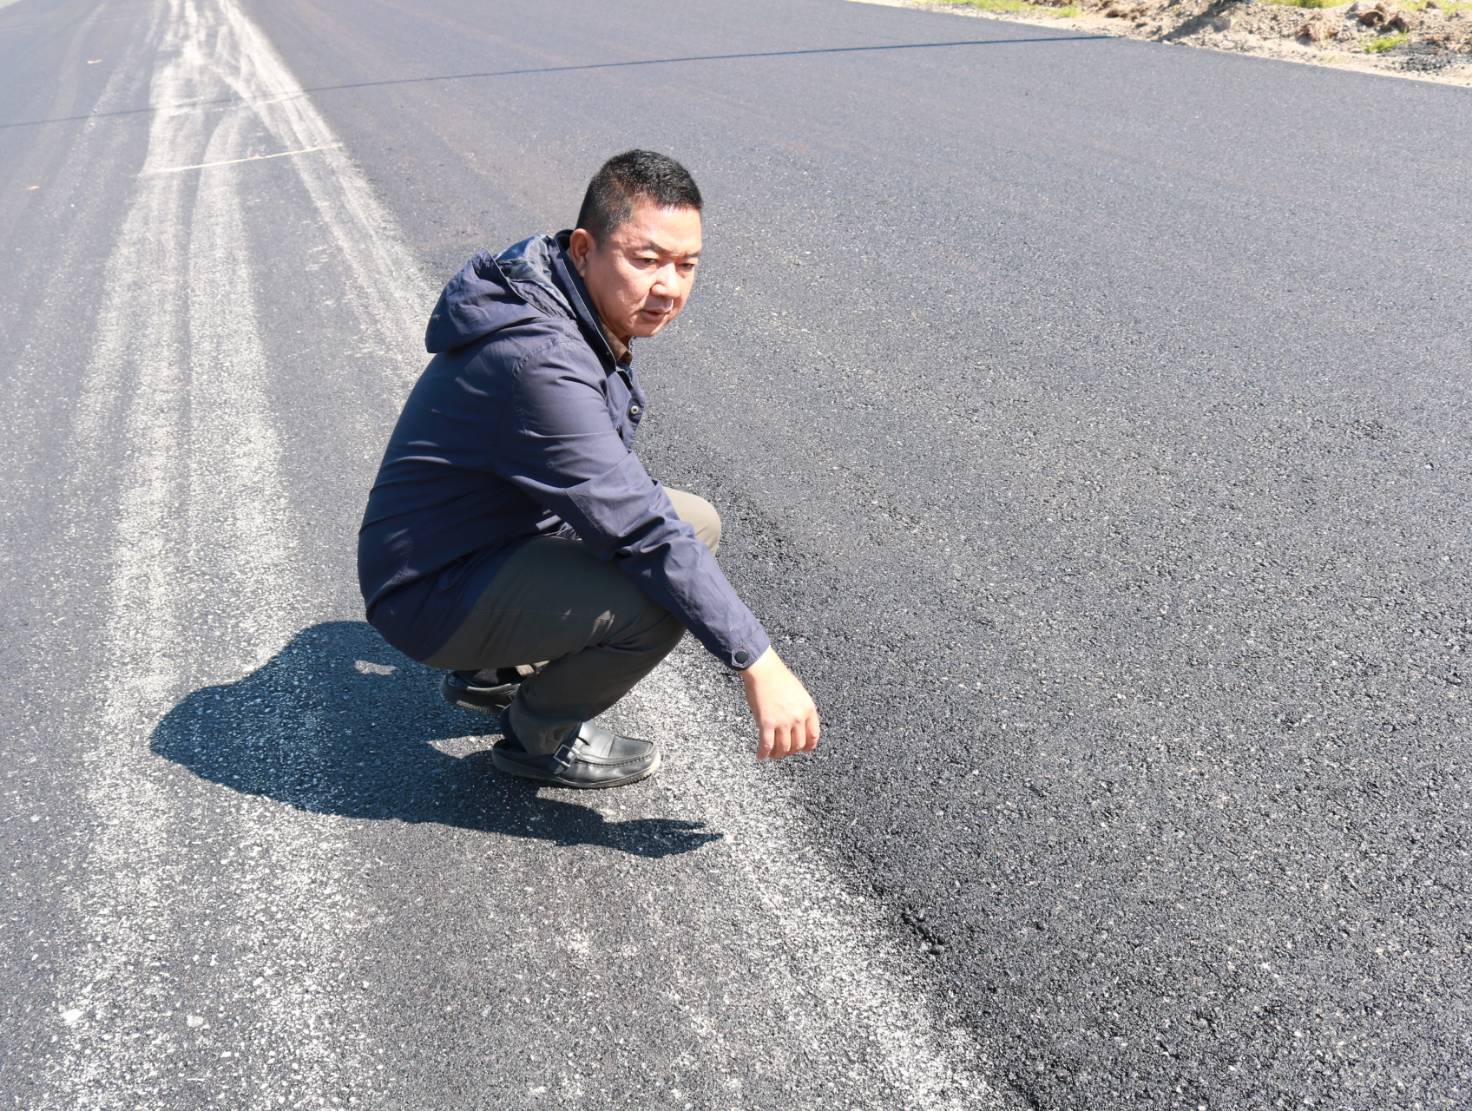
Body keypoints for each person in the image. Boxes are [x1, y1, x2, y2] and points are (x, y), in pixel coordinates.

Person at [357, 150, 820, 789]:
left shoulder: (558, 294)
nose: (669, 287)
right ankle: (537, 739)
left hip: (477, 542)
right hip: (427, 590)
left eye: (687, 265)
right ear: (583, 248)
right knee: (661, 600)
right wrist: (759, 662)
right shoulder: (540, 359)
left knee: (696, 522)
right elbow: (641, 531)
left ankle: (494, 670)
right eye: (646, 259)